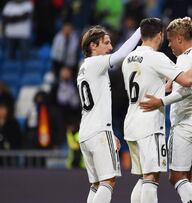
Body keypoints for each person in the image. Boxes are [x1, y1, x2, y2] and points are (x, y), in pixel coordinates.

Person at [122, 17, 192, 203]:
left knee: (143, 177)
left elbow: (143, 84)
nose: (168, 42)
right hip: (150, 124)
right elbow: (186, 81)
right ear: (160, 35)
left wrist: (163, 89)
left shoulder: (128, 58)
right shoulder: (157, 57)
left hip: (131, 122)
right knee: (151, 177)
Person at [77, 25, 141, 203]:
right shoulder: (95, 63)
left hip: (87, 132)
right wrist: (140, 31)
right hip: (98, 132)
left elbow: (97, 104)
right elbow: (121, 55)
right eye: (106, 43)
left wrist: (110, 132)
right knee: (108, 181)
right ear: (93, 46)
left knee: (97, 185)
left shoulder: (83, 68)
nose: (111, 47)